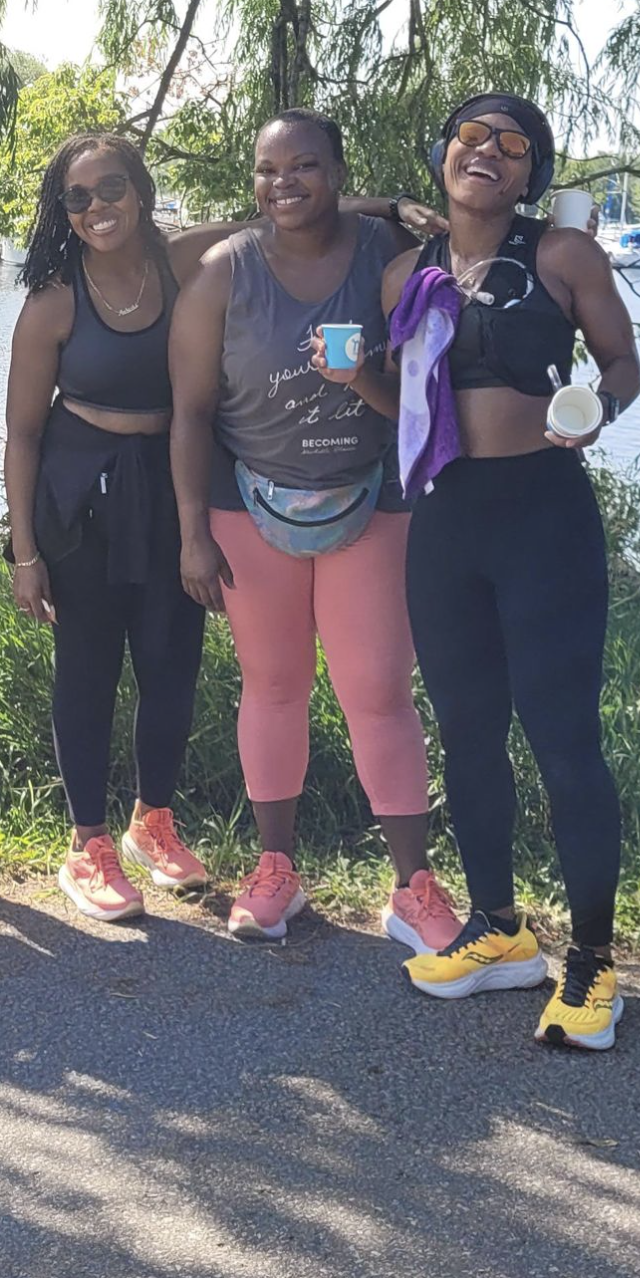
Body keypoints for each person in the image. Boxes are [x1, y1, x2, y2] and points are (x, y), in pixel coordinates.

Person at [382, 93, 640, 1050]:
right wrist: (347, 379)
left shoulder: (561, 258)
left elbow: (623, 364)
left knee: (563, 739)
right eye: (467, 138)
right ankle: (499, 930)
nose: (484, 153)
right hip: (445, 521)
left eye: (510, 145)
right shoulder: (406, 275)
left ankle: (594, 967)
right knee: (467, 732)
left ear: (533, 174)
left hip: (543, 517)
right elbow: (404, 401)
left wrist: (594, 408)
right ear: (441, 154)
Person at [169, 110, 462, 948]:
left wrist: (388, 216)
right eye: (267, 170)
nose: (283, 183)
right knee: (272, 686)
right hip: (249, 505)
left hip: (372, 502)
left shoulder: (386, 261)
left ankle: (414, 888)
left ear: (339, 172)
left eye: (305, 167)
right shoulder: (225, 272)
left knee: (375, 690)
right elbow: (189, 416)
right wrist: (193, 532)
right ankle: (275, 871)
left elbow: (427, 383)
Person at [3, 133, 208, 922]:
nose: (96, 209)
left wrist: (389, 209)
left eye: (111, 189)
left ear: (143, 191)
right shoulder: (56, 299)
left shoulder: (184, 264)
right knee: (87, 667)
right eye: (77, 198)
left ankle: (151, 822)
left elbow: (284, 219)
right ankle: (87, 843)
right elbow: (21, 432)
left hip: (172, 484)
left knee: (171, 663)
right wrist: (25, 552)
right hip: (77, 495)